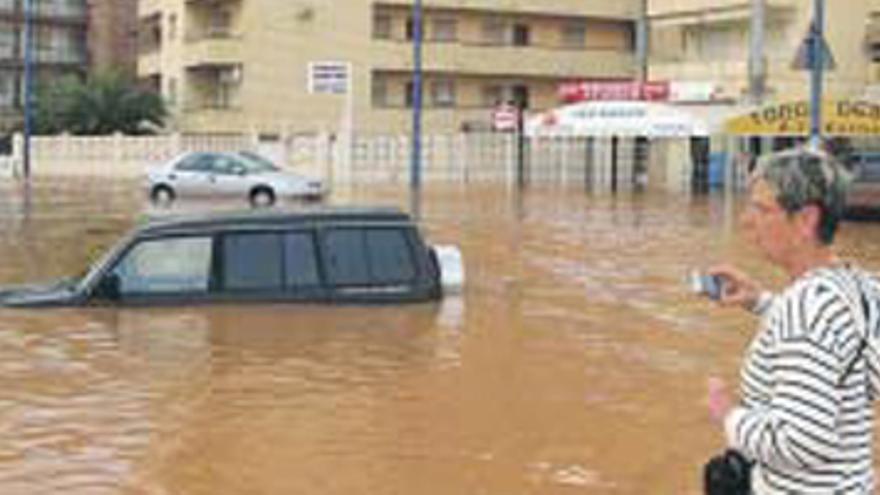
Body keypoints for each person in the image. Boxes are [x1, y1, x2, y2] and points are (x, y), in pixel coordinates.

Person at [703, 148, 880, 494]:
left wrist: (728, 415)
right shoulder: (862, 286)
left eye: (762, 209)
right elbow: (839, 343)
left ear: (806, 221)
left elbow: (801, 442)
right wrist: (761, 302)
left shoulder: (803, 311)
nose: (746, 220)